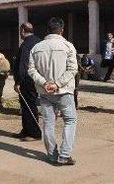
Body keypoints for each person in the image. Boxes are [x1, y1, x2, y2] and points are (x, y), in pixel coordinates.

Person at [27, 17, 78, 165]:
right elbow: (72, 69)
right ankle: (64, 155)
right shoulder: (68, 46)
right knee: (70, 121)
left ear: (47, 30)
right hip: (64, 91)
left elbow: (31, 70)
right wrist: (57, 84)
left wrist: (44, 83)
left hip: (44, 92)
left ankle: (51, 155)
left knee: (48, 123)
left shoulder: (36, 48)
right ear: (62, 30)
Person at [13, 22, 42, 141]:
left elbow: (23, 64)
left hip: (27, 80)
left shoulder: (26, 44)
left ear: (23, 30)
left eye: (20, 31)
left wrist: (18, 81)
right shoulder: (39, 41)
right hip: (37, 77)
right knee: (27, 105)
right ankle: (26, 130)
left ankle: (34, 133)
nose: (20, 34)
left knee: (29, 105)